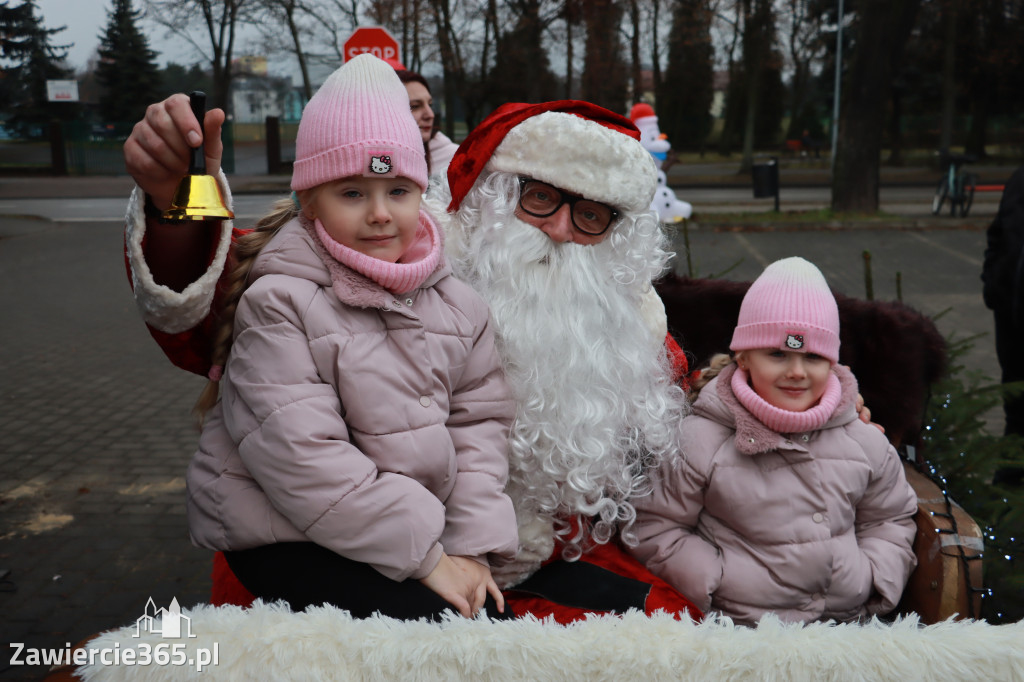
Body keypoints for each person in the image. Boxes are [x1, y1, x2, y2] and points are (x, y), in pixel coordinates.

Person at [123, 94, 699, 621]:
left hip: (526, 561)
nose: (558, 230)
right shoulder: (376, 261)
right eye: (540, 198)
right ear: (491, 199)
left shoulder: (632, 327)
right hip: (326, 555)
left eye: (591, 216)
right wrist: (176, 195)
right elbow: (209, 303)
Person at [180, 54, 518, 621]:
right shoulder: (281, 302)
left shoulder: (460, 304)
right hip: (285, 534)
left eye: (400, 191)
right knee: (456, 635)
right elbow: (301, 457)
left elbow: (479, 426)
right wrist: (428, 557)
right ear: (309, 201)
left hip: (402, 533)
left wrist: (470, 545)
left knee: (489, 622)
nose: (382, 215)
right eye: (353, 194)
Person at [628, 257, 918, 626]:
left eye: (813, 357)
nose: (796, 372)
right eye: (777, 354)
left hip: (845, 629)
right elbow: (654, 526)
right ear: (744, 357)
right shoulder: (700, 440)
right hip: (738, 629)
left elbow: (889, 517)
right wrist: (713, 581)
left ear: (832, 362)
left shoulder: (862, 441)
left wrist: (874, 576)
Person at [982, 167, 1024, 444]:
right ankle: (1010, 475)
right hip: (1011, 316)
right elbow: (998, 234)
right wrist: (993, 284)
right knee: (1017, 410)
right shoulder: (1021, 179)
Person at [395, 69, 459, 177]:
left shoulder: (455, 158)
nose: (430, 115)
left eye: (430, 104)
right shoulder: (372, 160)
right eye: (415, 106)